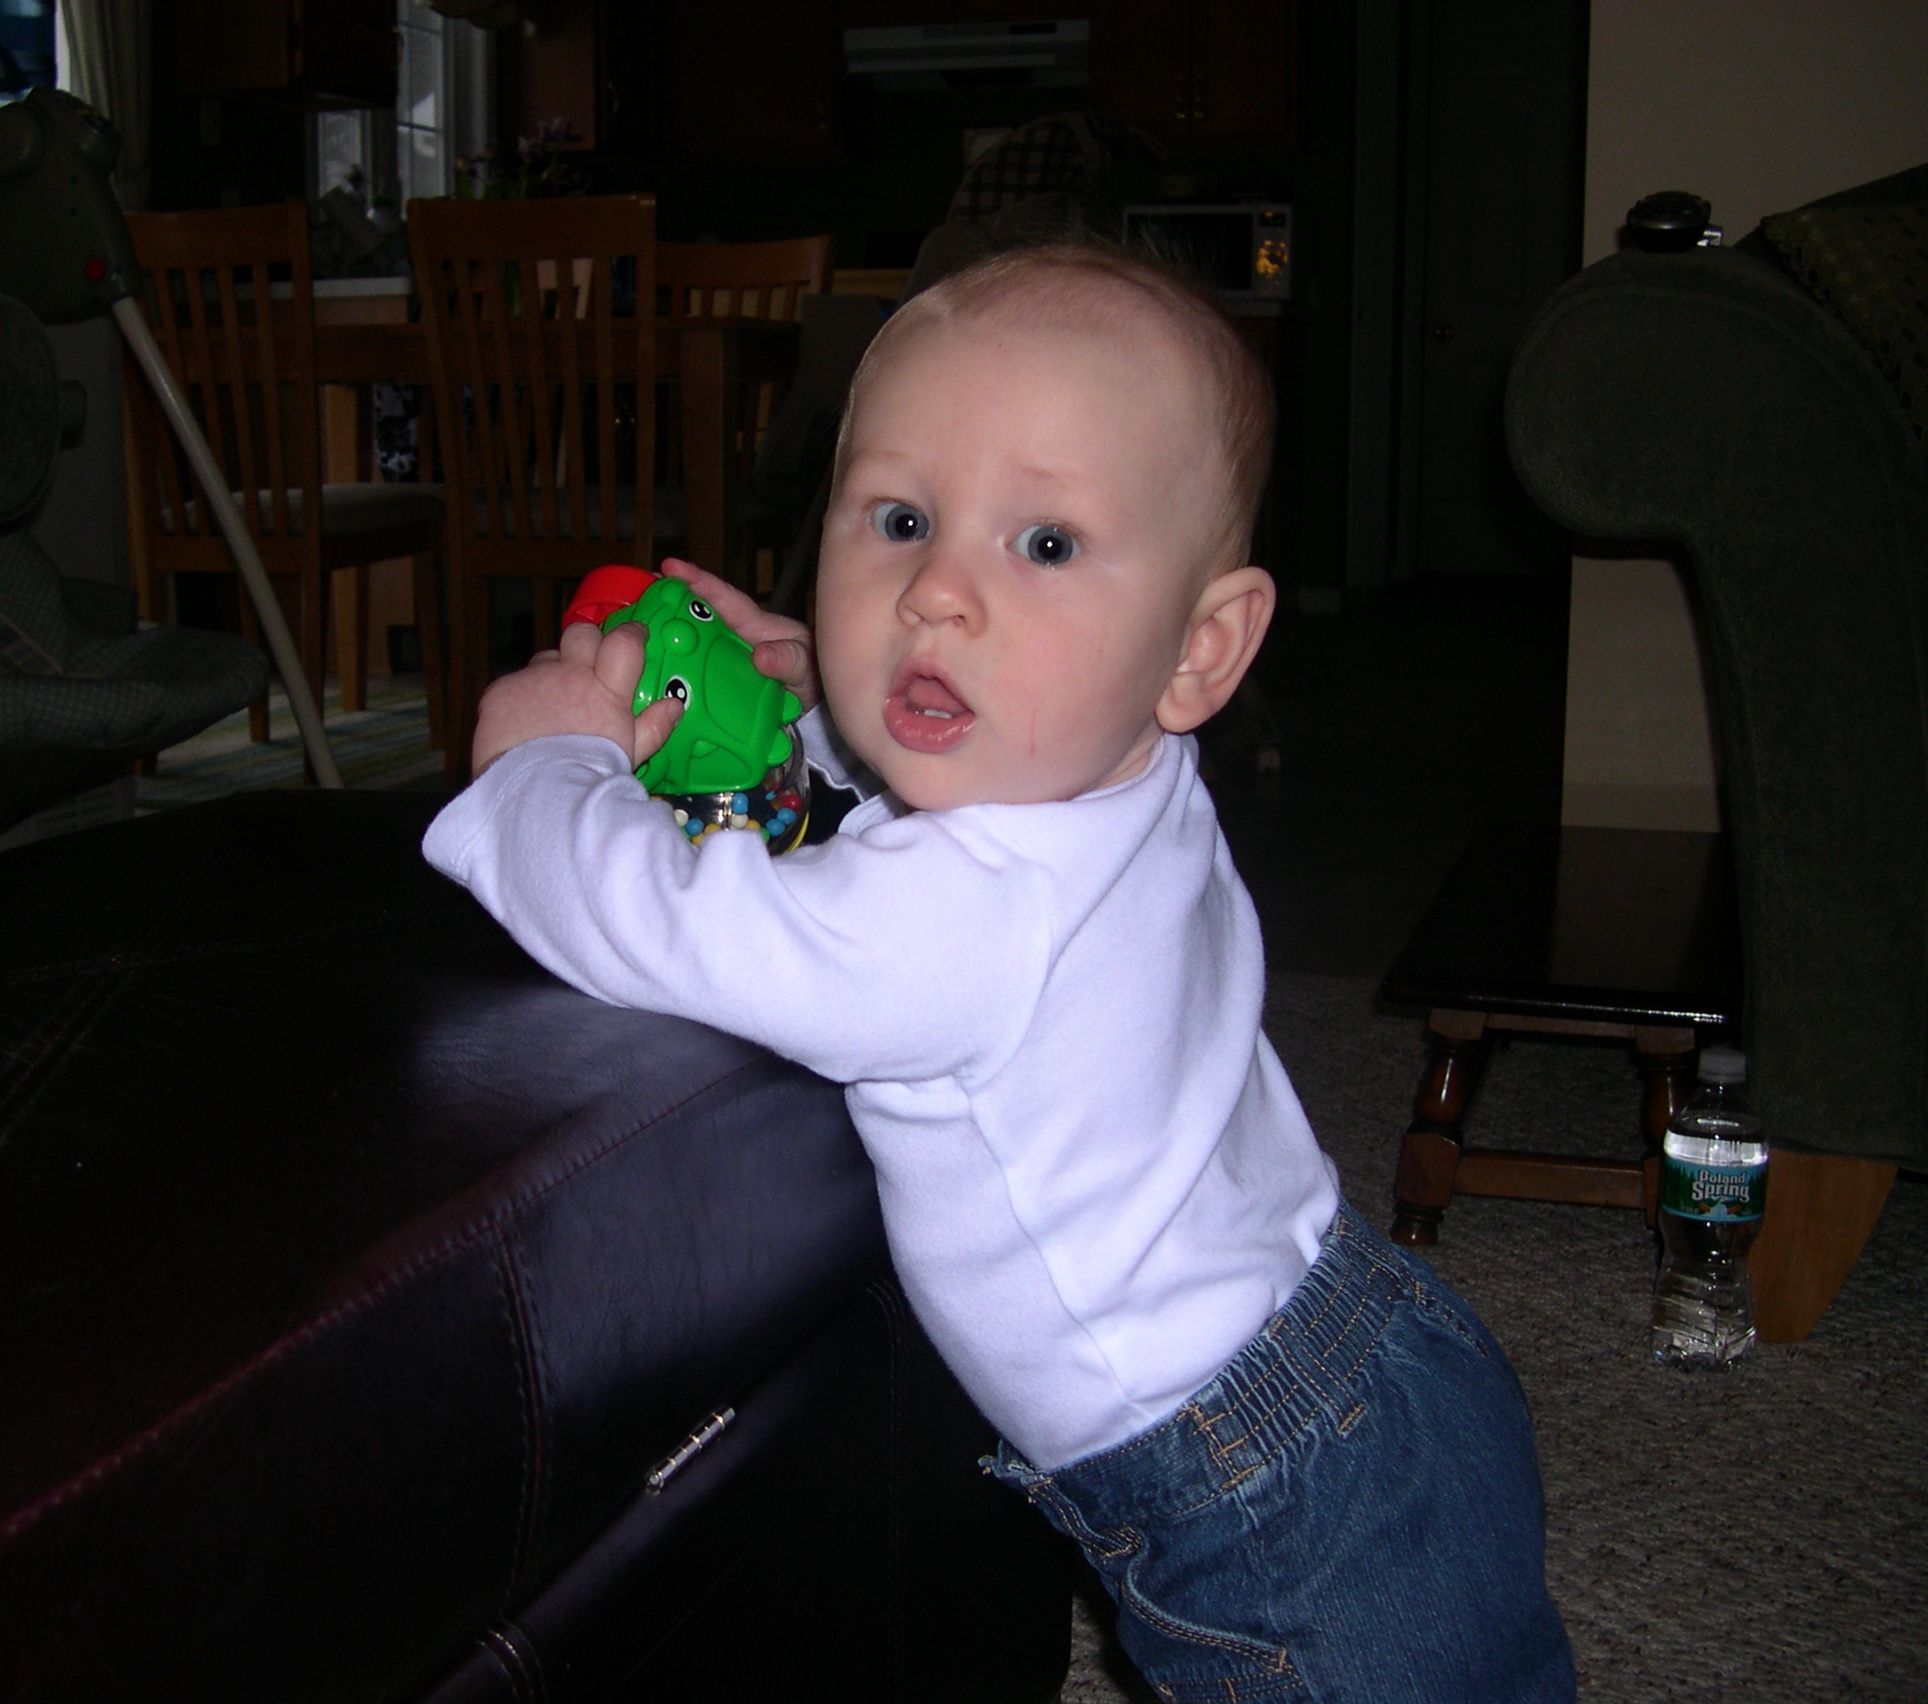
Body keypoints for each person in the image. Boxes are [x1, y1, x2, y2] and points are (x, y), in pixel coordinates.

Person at [424, 241, 1573, 1703]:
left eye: (1042, 544)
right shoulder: (1130, 771)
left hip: (1265, 1498)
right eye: (899, 520)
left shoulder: (961, 917)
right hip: (1376, 1351)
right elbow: (953, 777)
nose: (937, 598)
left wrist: (547, 773)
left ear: (1202, 645)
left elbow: (670, 923)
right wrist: (812, 711)